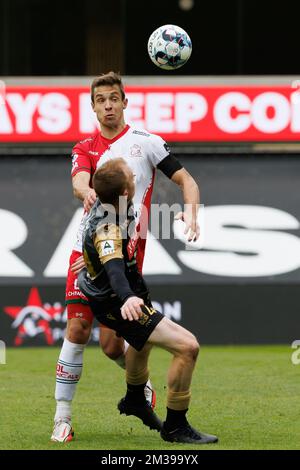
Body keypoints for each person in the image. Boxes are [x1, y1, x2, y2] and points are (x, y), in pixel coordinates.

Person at [51, 71, 201, 442]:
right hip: (87, 253)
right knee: (77, 328)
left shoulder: (146, 143)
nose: (107, 106)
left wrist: (191, 212)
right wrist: (85, 192)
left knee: (112, 344)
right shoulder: (85, 146)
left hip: (128, 254)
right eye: (100, 100)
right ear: (93, 107)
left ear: (124, 102)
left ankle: (137, 389)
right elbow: (78, 181)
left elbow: (187, 180)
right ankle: (62, 417)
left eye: (113, 98)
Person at [78, 158, 218, 444]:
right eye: (131, 175)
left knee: (142, 342)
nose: (134, 175)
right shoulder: (109, 226)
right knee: (188, 347)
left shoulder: (114, 203)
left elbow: (106, 251)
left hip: (118, 292)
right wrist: (127, 296)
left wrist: (92, 258)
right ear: (126, 191)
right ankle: (176, 426)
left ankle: (134, 398)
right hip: (117, 299)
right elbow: (115, 267)